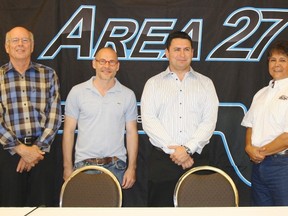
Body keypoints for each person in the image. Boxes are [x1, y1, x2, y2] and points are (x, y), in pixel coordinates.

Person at [141, 31, 219, 206]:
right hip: (163, 163)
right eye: (177, 49)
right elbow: (149, 120)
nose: (182, 55)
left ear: (192, 52)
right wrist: (177, 151)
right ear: (167, 52)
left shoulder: (206, 83)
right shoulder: (153, 84)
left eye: (186, 49)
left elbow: (209, 121)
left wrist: (188, 149)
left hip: (196, 160)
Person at [0, 26, 62, 207]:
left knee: (41, 208)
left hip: (42, 154)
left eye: (25, 40)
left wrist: (35, 151)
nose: (20, 44)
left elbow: (55, 115)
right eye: (15, 40)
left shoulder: (48, 74)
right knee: (9, 207)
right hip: (8, 154)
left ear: (32, 45)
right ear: (6, 46)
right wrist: (20, 149)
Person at [62, 47, 138, 190]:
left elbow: (132, 133)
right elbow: (69, 131)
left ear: (117, 66)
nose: (107, 66)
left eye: (111, 62)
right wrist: (67, 167)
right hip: (83, 166)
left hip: (116, 167)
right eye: (102, 61)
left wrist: (131, 168)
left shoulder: (128, 95)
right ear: (94, 63)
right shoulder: (77, 92)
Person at [241, 40, 288, 206]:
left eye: (282, 60)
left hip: (282, 167)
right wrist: (248, 147)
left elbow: (286, 137)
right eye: (273, 60)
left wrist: (260, 152)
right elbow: (250, 125)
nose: (277, 65)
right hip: (259, 167)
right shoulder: (260, 94)